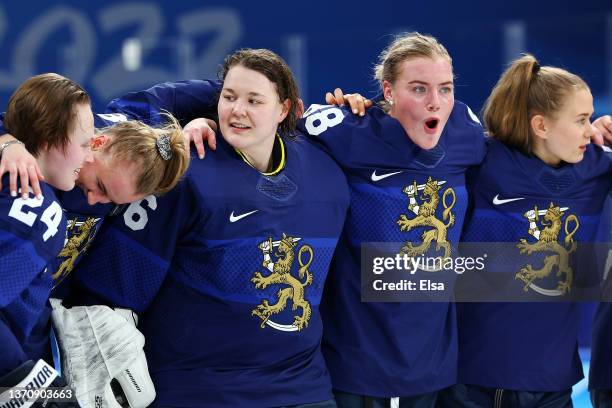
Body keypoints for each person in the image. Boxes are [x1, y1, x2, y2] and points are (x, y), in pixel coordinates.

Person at [69, 48, 350, 407]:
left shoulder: (328, 171)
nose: (238, 110)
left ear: (284, 109)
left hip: (304, 390)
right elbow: (108, 293)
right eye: (229, 97)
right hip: (199, 392)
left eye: (254, 100)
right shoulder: (180, 175)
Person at [0, 72, 191, 405]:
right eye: (101, 186)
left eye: (112, 202)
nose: (93, 202)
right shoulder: (38, 208)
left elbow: (190, 95)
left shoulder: (93, 145)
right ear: (96, 142)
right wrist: (28, 386)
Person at [438, 55, 612, 407]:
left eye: (591, 118)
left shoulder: (597, 168)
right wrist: (359, 110)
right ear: (541, 126)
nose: (590, 130)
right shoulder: (480, 160)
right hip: (468, 385)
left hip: (551, 387)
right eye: (581, 120)